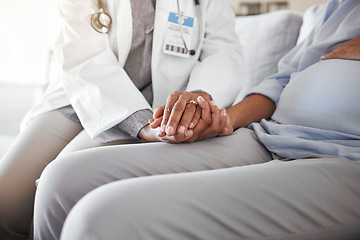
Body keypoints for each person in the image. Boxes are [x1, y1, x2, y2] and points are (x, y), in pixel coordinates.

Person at [32, 0, 360, 239]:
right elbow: (281, 80)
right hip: (262, 133)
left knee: (98, 218)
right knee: (62, 179)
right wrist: (222, 121)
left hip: (341, 152)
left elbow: (224, 55)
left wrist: (202, 102)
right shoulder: (339, 8)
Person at [0, 0, 244, 239]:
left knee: (58, 186)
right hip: (82, 92)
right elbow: (82, 56)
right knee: (5, 201)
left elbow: (224, 52)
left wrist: (200, 97)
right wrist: (141, 124)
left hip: (159, 108)